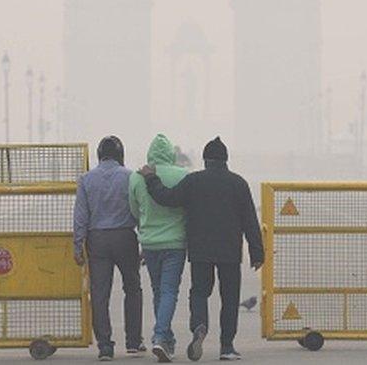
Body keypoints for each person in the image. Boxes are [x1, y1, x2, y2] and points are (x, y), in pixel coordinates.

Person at [139, 136, 263, 362]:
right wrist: (257, 253)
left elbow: (167, 198)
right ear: (225, 160)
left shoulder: (193, 181)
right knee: (230, 297)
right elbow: (250, 221)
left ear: (205, 160)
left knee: (199, 292)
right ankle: (226, 347)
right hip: (229, 251)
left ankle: (199, 326)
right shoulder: (238, 183)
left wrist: (151, 178)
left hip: (200, 250)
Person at [73, 135, 145, 361]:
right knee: (132, 289)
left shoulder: (86, 179)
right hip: (125, 237)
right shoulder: (131, 176)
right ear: (120, 155)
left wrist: (78, 245)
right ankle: (133, 342)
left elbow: (80, 216)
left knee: (100, 293)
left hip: (98, 240)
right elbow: (140, 210)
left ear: (99, 155)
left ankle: (105, 346)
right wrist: (145, 240)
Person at [128, 134, 188, 362]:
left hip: (150, 242)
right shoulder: (183, 175)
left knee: (158, 291)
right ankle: (160, 336)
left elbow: (134, 211)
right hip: (175, 243)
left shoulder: (136, 178)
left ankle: (166, 340)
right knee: (169, 291)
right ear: (171, 153)